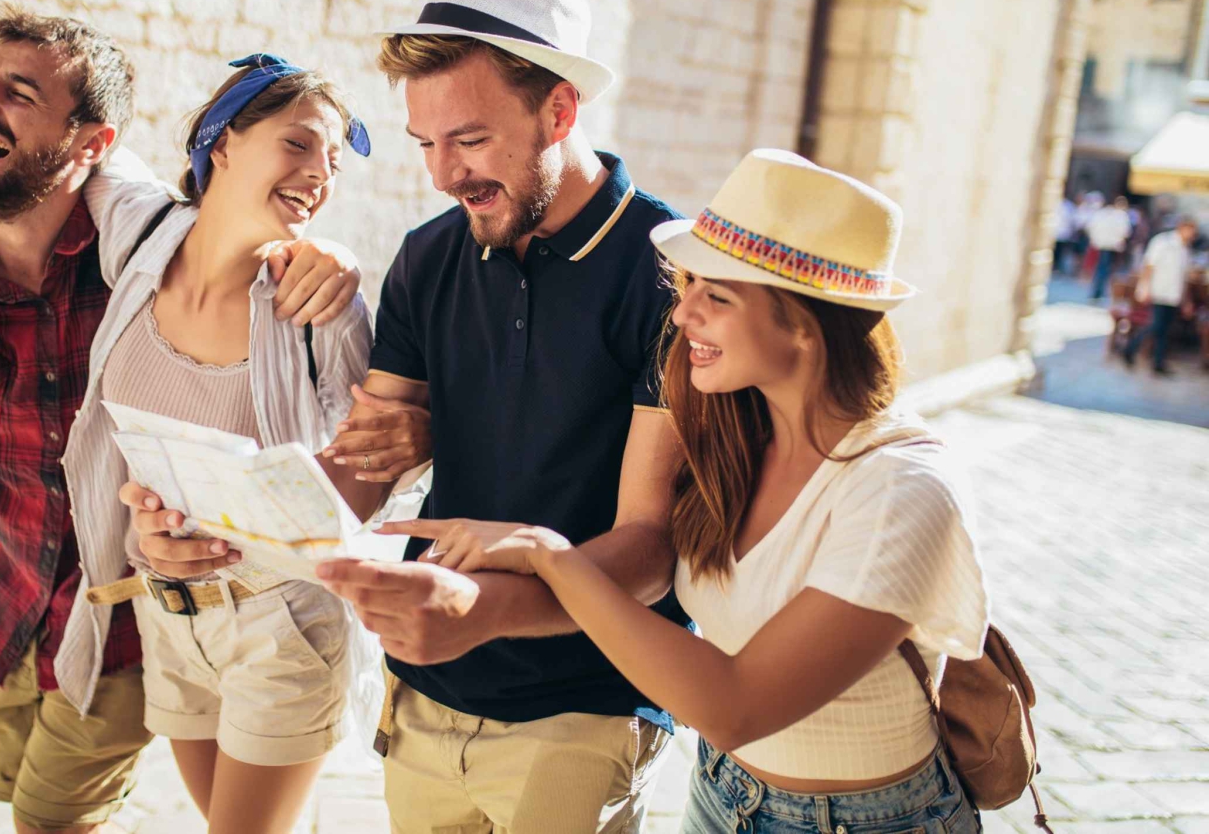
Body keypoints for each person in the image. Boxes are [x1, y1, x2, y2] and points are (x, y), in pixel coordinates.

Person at [384, 149, 991, 834]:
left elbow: (736, 706)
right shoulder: (733, 437)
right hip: (721, 793)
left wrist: (547, 554)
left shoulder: (901, 489)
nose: (682, 314)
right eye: (689, 284)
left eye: (717, 296)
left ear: (805, 321)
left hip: (868, 820)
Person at [0, 12, 360, 834]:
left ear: (91, 145)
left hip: (144, 614)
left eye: (21, 92)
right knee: (4, 780)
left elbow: (374, 448)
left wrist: (333, 254)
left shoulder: (134, 239)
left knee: (49, 816)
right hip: (22, 597)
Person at [310, 0, 691, 833]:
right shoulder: (428, 255)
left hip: (587, 700)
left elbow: (650, 547)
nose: (443, 175)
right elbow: (366, 463)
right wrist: (231, 520)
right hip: (427, 688)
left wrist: (481, 610)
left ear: (560, 109)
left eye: (471, 140)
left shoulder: (672, 274)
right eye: (427, 144)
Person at [1123, 215, 1200, 375]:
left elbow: (1184, 277)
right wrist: (1144, 288)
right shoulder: (1162, 242)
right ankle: (1130, 348)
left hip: (1174, 294)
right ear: (1182, 228)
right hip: (1159, 291)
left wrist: (1186, 300)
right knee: (1156, 325)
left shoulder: (1185, 249)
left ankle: (1158, 363)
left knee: (1164, 329)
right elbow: (1149, 265)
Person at [1086, 195, 1132, 300]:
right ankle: (1099, 291)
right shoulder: (1121, 216)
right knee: (1105, 268)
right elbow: (1125, 232)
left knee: (1101, 267)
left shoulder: (1101, 214)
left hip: (1101, 244)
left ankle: (1098, 290)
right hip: (1112, 246)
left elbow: (1091, 227)